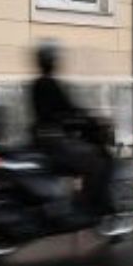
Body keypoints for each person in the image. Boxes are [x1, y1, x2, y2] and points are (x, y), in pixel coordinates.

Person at [29, 40, 114, 217]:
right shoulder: (49, 84)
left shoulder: (38, 84)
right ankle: (88, 206)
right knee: (95, 160)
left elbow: (66, 110)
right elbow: (67, 110)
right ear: (51, 62)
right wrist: (90, 120)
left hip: (42, 138)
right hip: (54, 140)